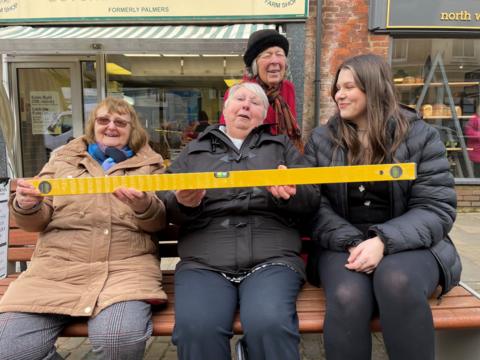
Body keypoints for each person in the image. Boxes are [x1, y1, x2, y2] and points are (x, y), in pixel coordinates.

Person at [304, 54, 461, 360]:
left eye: (349, 86)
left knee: (396, 281)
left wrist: (384, 241)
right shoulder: (322, 139)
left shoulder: (421, 136)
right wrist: (351, 241)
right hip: (341, 243)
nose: (339, 94)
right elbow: (314, 205)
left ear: (374, 88)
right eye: (337, 88)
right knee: (348, 295)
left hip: (411, 244)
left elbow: (436, 206)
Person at [0, 97, 167, 359]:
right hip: (55, 272)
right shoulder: (61, 161)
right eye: (103, 120)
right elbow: (36, 221)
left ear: (132, 129)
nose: (111, 126)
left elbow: (158, 224)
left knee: (118, 339)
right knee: (9, 349)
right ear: (93, 125)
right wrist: (27, 205)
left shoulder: (150, 166)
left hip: (124, 271)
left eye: (120, 122)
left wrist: (144, 206)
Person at [161, 82, 319, 360]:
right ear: (225, 108)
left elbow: (312, 196)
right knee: (197, 330)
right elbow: (163, 197)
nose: (246, 105)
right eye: (240, 99)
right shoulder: (195, 150)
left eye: (255, 102)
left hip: (272, 259)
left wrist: (291, 195)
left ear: (264, 115)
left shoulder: (281, 147)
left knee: (270, 324)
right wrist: (183, 202)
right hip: (204, 262)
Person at [220, 29, 303, 151]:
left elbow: (291, 131)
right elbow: (228, 138)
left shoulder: (287, 88)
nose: (275, 61)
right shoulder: (239, 93)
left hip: (284, 157)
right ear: (255, 65)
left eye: (279, 54)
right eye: (267, 55)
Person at [465, 105, 480, 177]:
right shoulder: (474, 118)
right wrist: (478, 134)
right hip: (477, 151)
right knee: (477, 175)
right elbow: (468, 132)